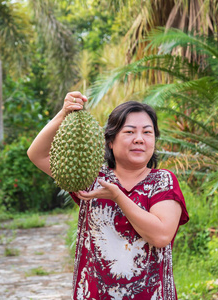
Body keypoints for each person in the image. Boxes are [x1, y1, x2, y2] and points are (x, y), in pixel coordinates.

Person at [27, 91, 189, 299]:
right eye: (129, 132)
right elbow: (37, 154)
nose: (139, 139)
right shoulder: (90, 176)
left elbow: (161, 236)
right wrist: (64, 112)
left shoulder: (163, 181)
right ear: (110, 141)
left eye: (147, 133)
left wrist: (118, 196)